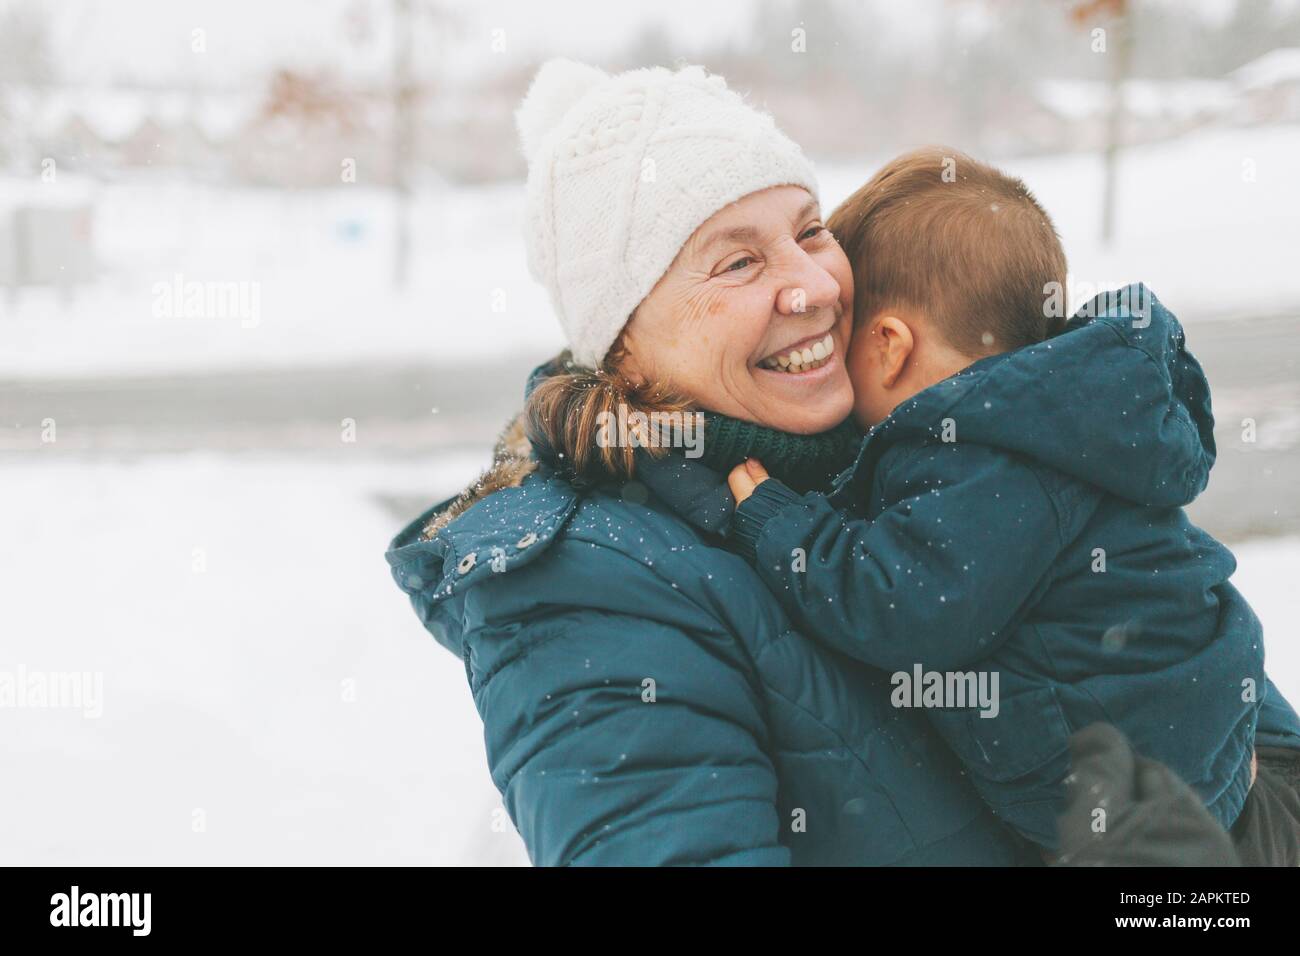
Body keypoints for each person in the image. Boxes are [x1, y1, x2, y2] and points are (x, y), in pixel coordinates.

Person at [386, 61, 1036, 865]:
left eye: (809, 231)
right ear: (622, 346)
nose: (813, 288)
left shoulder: (902, 448)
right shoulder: (584, 596)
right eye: (738, 263)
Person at [722, 147, 1300, 861]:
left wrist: (786, 527)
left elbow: (907, 605)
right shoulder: (1058, 414)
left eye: (844, 339)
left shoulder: (975, 455)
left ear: (890, 345)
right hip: (1209, 743)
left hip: (1144, 809)